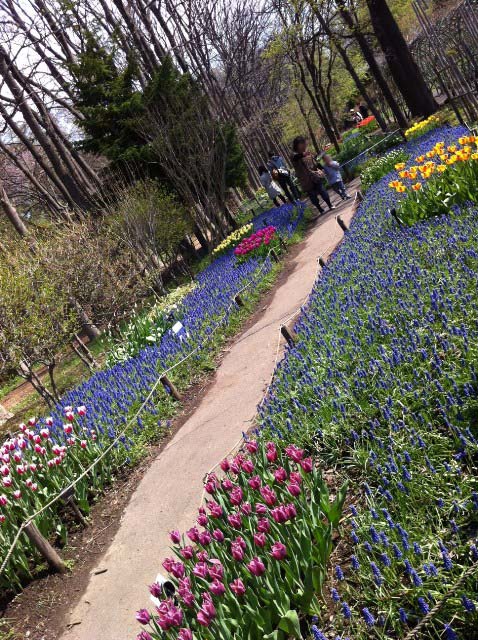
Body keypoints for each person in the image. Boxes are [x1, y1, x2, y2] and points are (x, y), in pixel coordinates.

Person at [290, 136, 334, 214]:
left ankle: (330, 205)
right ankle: (320, 209)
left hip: (315, 176)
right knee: (313, 196)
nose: (305, 145)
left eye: (305, 144)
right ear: (298, 144)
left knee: (323, 191)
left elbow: (315, 162)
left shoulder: (308, 152)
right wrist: (303, 154)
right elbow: (296, 157)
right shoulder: (294, 155)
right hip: (306, 180)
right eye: (303, 144)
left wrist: (321, 168)